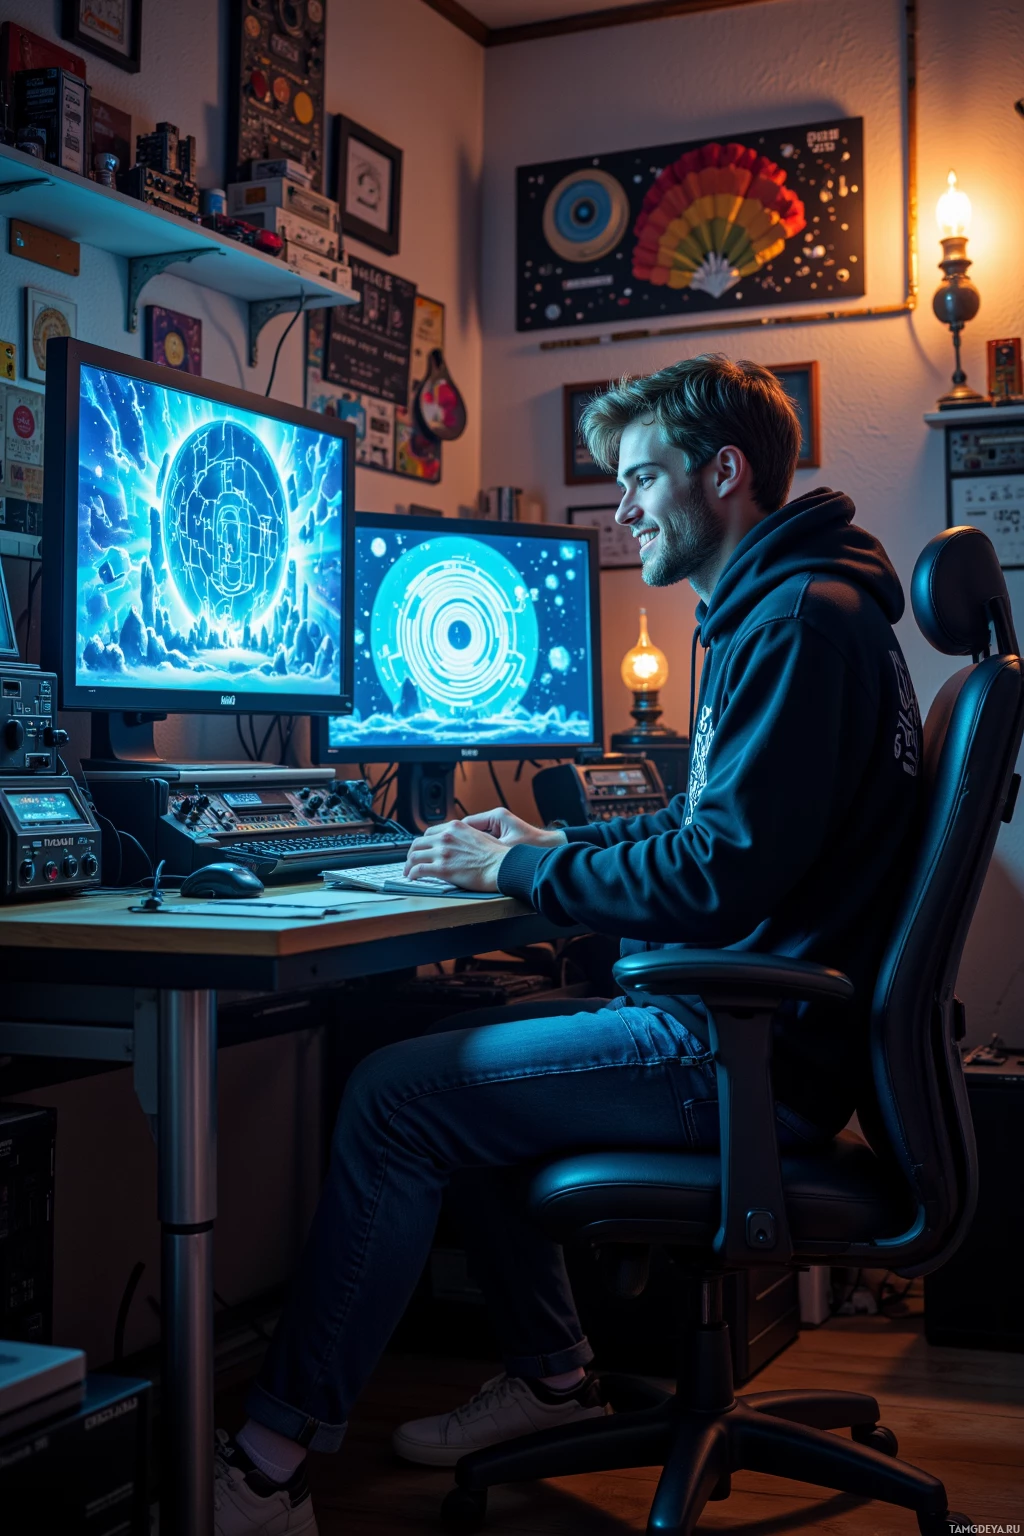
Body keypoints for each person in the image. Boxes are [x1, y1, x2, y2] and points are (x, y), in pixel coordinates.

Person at [214, 355, 922, 1535]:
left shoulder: (795, 622)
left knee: (397, 1099)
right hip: (771, 1037)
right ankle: (552, 1382)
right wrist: (540, 840)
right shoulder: (797, 602)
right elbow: (719, 833)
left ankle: (266, 1470)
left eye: (640, 478)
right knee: (470, 1048)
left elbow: (715, 873)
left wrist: (521, 870)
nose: (621, 510)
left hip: (747, 1054)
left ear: (723, 473)